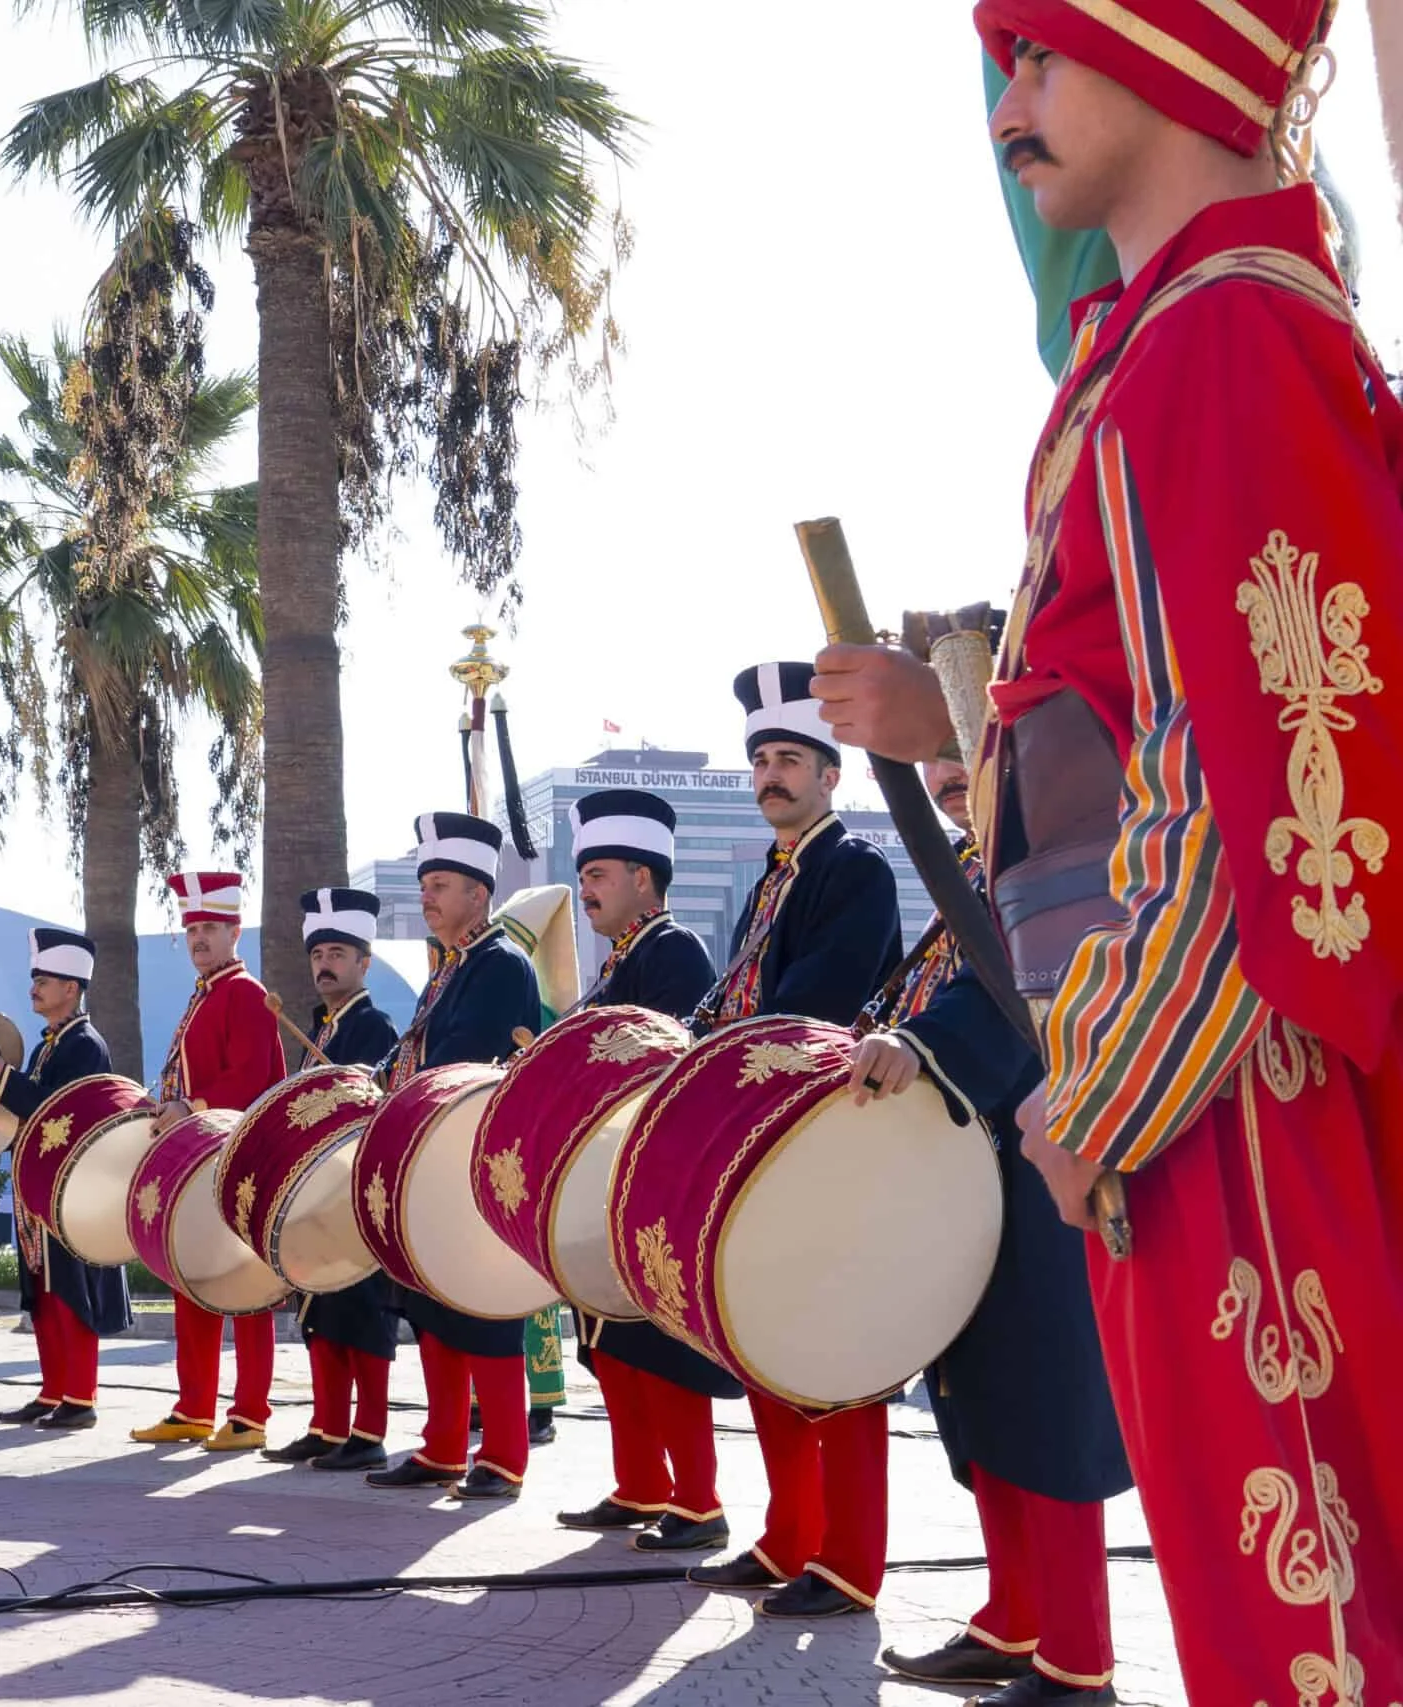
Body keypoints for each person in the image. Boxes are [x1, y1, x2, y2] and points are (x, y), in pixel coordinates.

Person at [810, 5, 1403, 1690]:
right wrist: (965, 732)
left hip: (1226, 1090)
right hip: (1194, 1075)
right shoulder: (1179, 336)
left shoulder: (1225, 332)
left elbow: (1269, 771)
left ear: (1180, 49)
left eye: (1044, 55)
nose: (1010, 105)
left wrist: (1109, 1084)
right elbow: (1132, 736)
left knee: (1309, 1618)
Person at [850, 759, 1130, 1706]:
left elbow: (1021, 981)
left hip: (1043, 1165)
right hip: (975, 1168)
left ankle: (1079, 1658)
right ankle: (1014, 1620)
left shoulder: (1050, 848)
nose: (942, 786)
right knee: (987, 1401)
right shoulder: (976, 863)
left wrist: (922, 1046)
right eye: (930, 774)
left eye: (955, 761)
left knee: (1047, 1406)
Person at [683, 665, 902, 1619]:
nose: (772, 774)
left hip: (825, 1137)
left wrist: (718, 1051)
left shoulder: (853, 869)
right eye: (762, 760)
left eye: (790, 760)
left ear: (830, 774)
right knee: (767, 1332)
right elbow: (736, 997)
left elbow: (817, 1001)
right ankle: (788, 1538)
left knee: (841, 1345)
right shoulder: (774, 879)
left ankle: (850, 1560)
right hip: (759, 1137)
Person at [550, 790, 741, 1554]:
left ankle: (699, 1501)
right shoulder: (618, 963)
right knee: (611, 1345)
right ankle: (641, 1484)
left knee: (662, 1347)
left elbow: (657, 1061)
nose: (587, 888)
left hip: (654, 1174)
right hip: (605, 1177)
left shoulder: (675, 952)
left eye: (597, 872)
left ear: (641, 876)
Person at [367, 813, 541, 1501]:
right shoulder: (447, 970)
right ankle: (443, 1445)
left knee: (482, 1309)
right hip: (428, 1163)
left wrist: (402, 1090)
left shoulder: (499, 963)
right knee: (432, 1309)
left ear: (478, 892)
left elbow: (460, 1061)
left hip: (471, 1162)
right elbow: (413, 1051)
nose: (427, 897)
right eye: (424, 885)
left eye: (440, 884)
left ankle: (503, 1453)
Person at [132, 871, 284, 1451]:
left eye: (210, 928)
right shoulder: (208, 995)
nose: (198, 937)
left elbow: (247, 1081)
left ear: (235, 932)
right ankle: (194, 1407)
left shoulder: (244, 993)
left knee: (246, 1286)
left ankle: (250, 1415)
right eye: (193, 927)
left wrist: (187, 1106)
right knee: (191, 1278)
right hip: (198, 1161)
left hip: (235, 1159)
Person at [261, 888, 400, 1474]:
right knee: (321, 1310)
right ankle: (327, 1424)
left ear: (364, 962)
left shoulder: (374, 1027)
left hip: (351, 1193)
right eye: (319, 952)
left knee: (362, 1312)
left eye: (339, 952)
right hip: (312, 1195)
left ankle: (369, 1432)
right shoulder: (317, 1029)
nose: (326, 963)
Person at [0, 927, 131, 1429]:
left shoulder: (84, 1044)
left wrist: (3, 1079)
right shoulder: (50, 1045)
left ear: (72, 987)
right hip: (39, 1187)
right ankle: (52, 1390)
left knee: (70, 1290)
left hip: (70, 1190)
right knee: (42, 1291)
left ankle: (80, 1397)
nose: (35, 986)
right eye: (35, 977)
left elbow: (55, 1112)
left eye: (45, 979)